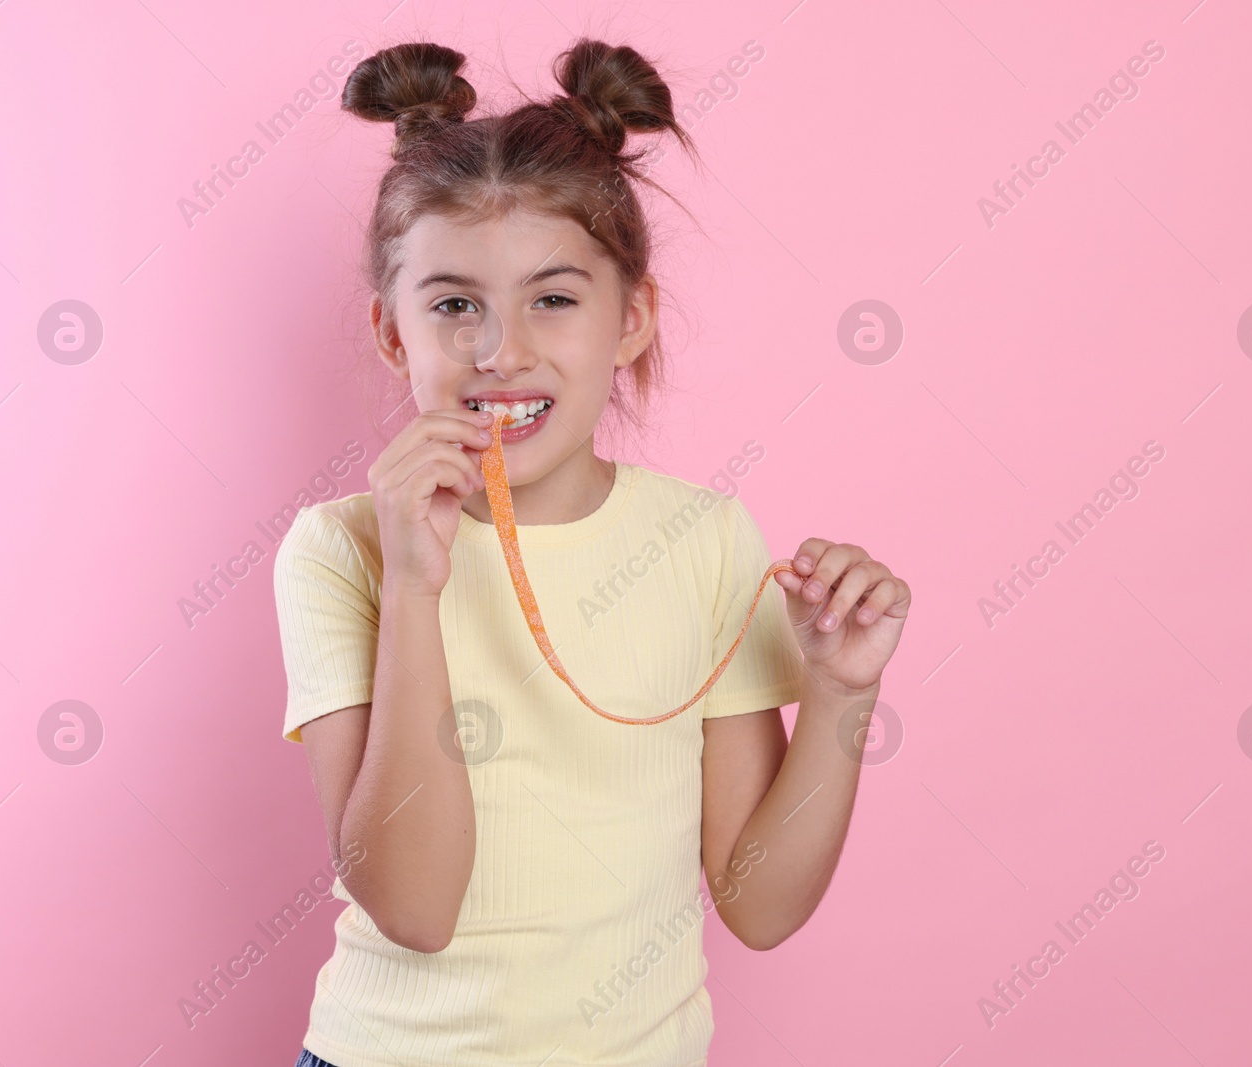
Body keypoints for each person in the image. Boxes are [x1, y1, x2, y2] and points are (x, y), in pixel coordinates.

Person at [273, 37, 911, 1067]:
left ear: (631, 320)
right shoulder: (339, 550)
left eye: (554, 298)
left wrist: (839, 696)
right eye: (452, 305)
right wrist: (417, 588)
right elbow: (416, 908)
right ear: (394, 335)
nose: (501, 350)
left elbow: (757, 906)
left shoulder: (700, 539)